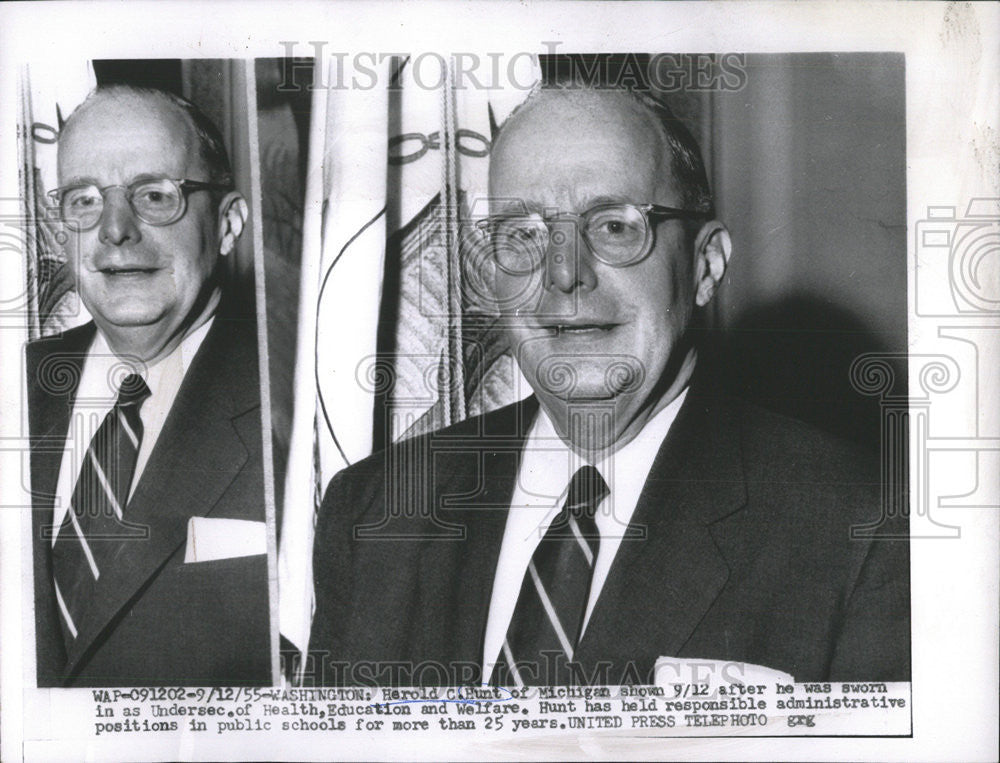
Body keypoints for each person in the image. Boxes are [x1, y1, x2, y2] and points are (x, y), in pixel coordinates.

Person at [308, 82, 909, 686]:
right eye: (522, 233)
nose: (566, 275)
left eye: (615, 226)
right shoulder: (375, 511)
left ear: (706, 264)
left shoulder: (862, 529)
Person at [26, 86, 270, 687]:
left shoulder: (297, 399)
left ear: (228, 223)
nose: (115, 230)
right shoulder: (14, 387)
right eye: (85, 200)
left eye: (154, 195)